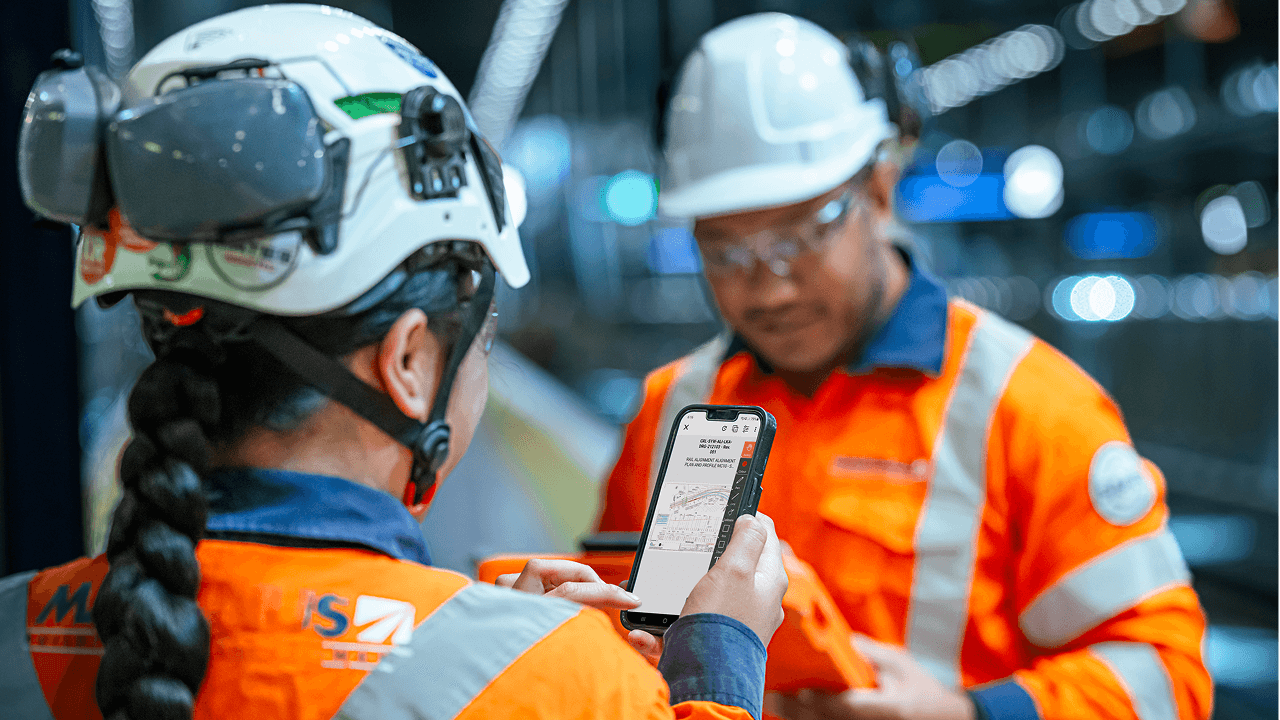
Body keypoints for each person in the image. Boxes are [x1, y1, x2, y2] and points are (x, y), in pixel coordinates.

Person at [0, 6, 789, 720]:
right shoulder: (572, 689)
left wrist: (499, 639)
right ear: (408, 359)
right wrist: (717, 666)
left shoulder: (12, 633)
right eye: (481, 337)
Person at [597, 13, 1212, 720]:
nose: (768, 287)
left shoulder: (1030, 408)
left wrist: (969, 713)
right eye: (726, 252)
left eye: (800, 238)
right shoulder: (671, 407)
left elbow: (1168, 678)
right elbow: (626, 630)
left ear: (880, 193)